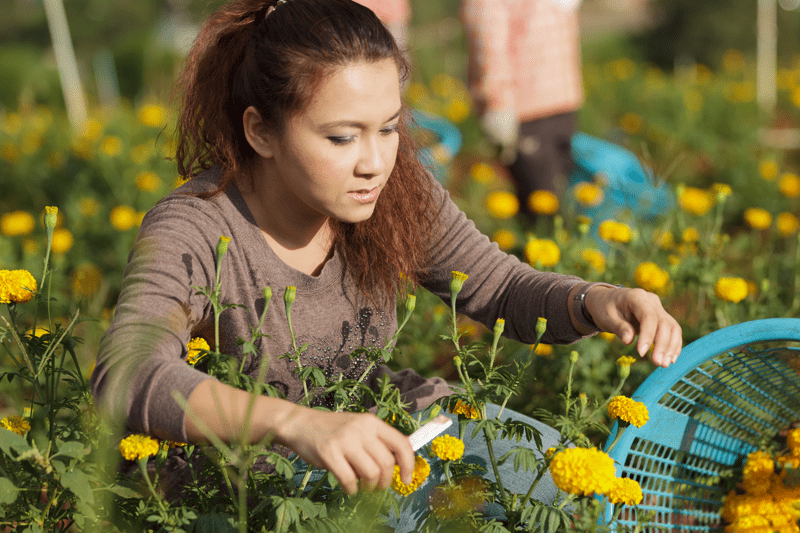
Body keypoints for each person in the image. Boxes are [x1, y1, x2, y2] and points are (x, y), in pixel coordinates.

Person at [90, 0, 681, 524]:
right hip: (248, 486)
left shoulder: (394, 192)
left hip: (393, 431)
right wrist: (296, 424)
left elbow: (500, 289)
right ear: (260, 131)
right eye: (343, 137)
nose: (374, 161)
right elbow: (127, 374)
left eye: (389, 128)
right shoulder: (195, 227)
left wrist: (596, 300)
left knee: (563, 489)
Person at [460, 0, 584, 219]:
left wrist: (496, 104)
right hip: (540, 108)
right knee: (546, 201)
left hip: (544, 107)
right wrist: (498, 105)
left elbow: (489, 51)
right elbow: (490, 49)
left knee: (550, 201)